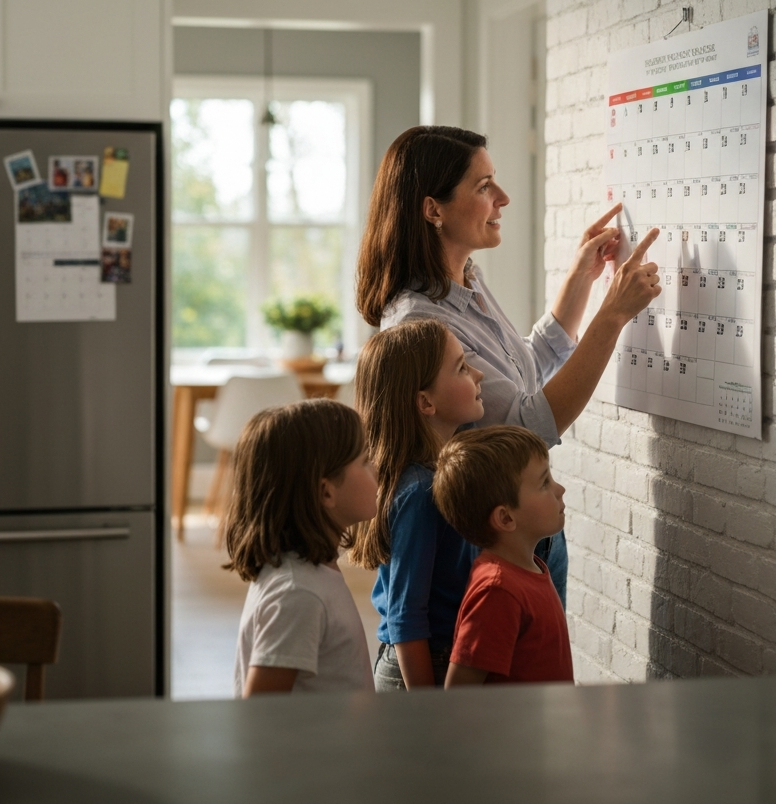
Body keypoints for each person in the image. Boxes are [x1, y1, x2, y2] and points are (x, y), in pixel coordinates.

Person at [356, 125, 660, 606]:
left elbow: (526, 370)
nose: (503, 197)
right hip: (488, 543)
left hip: (526, 529)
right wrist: (613, 314)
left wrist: (582, 278)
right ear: (433, 209)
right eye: (483, 186)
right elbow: (527, 426)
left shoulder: (467, 283)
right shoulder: (419, 321)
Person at [349, 319, 485, 691]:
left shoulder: (440, 467)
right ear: (426, 402)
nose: (479, 373)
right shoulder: (421, 492)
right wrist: (428, 709)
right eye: (461, 367)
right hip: (423, 666)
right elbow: (406, 616)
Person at [225, 398, 378, 697]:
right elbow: (261, 711)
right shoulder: (297, 594)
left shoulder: (313, 575)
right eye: (365, 460)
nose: (377, 466)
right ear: (326, 492)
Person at [432, 425, 573, 686]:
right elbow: (459, 692)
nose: (559, 489)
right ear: (506, 517)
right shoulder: (498, 591)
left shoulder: (532, 567)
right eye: (544, 483)